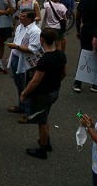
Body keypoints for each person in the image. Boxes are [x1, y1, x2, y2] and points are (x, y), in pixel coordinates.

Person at [21, 27, 67, 160]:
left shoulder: (44, 60)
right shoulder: (60, 54)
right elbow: (63, 74)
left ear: (41, 40)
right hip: (54, 91)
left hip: (43, 94)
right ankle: (47, 142)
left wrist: (24, 93)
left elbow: (35, 82)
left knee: (42, 121)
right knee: (46, 115)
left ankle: (42, 149)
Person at [6, 7, 41, 121]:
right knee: (19, 85)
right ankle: (21, 106)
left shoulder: (35, 31)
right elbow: (16, 41)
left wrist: (16, 47)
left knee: (27, 87)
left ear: (30, 19)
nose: (19, 17)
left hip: (27, 64)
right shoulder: (20, 26)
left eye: (22, 16)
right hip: (16, 59)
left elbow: (33, 49)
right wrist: (10, 56)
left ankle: (28, 112)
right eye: (20, 15)